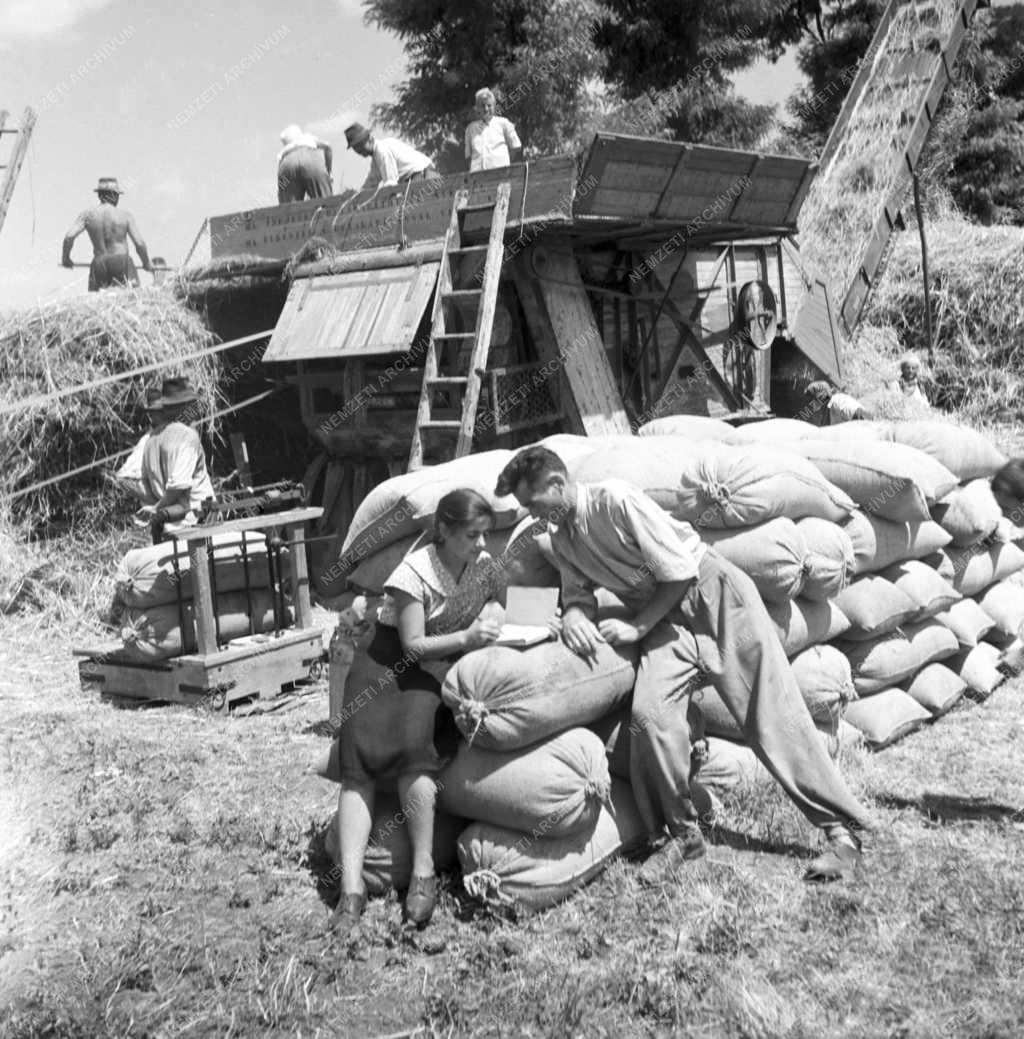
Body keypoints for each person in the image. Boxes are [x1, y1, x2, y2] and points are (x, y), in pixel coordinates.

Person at [494, 447, 875, 884]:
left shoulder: (616, 500)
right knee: (649, 719)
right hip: (662, 619)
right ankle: (683, 835)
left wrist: (637, 627)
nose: (531, 513)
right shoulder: (561, 536)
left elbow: (678, 572)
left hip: (712, 598)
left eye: (533, 502)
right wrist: (577, 615)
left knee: (769, 715)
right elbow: (577, 592)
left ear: (557, 486)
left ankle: (841, 834)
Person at [331, 489, 507, 935]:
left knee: (417, 752)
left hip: (435, 671)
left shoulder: (481, 564)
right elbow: (411, 646)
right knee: (359, 763)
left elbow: (500, 593)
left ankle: (423, 874)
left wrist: (494, 613)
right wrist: (468, 640)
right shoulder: (413, 571)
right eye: (472, 535)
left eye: (485, 535)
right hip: (387, 667)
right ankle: (350, 889)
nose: (482, 544)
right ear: (444, 531)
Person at [132, 377, 215, 542]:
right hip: (195, 523)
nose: (197, 410)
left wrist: (155, 508)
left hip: (167, 528)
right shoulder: (187, 436)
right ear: (184, 407)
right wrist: (157, 508)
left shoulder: (150, 440)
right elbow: (179, 484)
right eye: (193, 404)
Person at [62, 177, 152, 291]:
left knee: (97, 302)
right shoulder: (124, 216)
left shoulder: (87, 215)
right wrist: (146, 263)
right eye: (117, 195)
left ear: (100, 195)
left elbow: (69, 236)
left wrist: (66, 258)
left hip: (99, 262)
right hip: (121, 261)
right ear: (113, 195)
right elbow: (139, 244)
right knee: (131, 300)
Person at [722, 281, 778, 410]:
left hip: (748, 338)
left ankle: (747, 396)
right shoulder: (746, 313)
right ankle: (738, 397)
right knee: (739, 365)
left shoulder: (752, 315)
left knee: (749, 365)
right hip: (743, 337)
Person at [345, 122, 439, 192]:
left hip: (423, 176)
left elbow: (391, 184)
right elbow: (371, 183)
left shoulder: (382, 151)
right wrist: (356, 196)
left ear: (369, 139)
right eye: (355, 148)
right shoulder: (376, 159)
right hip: (417, 178)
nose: (359, 150)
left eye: (360, 145)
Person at [465, 88, 522, 172]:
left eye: (489, 105)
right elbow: (468, 157)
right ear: (477, 108)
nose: (486, 109)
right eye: (482, 106)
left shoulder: (504, 123)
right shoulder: (470, 129)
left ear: (494, 106)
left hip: (501, 177)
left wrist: (503, 163)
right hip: (478, 179)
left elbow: (516, 147)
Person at [277, 124, 333, 203]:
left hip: (286, 165)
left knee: (288, 207)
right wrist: (329, 172)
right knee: (326, 202)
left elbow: (281, 182)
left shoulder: (282, 152)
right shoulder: (307, 138)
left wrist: (281, 190)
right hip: (311, 160)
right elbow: (328, 146)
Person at [805, 380, 870, 426]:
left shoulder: (837, 401)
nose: (813, 405)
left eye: (814, 401)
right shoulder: (827, 412)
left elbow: (860, 414)